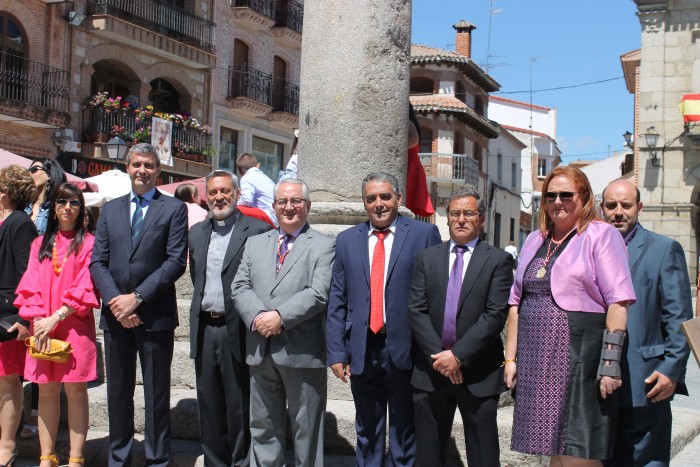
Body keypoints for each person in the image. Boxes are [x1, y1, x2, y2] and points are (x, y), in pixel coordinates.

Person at [505, 166, 635, 465]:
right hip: (538, 360)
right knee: (556, 453)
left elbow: (619, 301)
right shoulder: (535, 239)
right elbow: (515, 303)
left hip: (579, 356)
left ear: (585, 198)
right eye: (550, 195)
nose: (557, 201)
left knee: (579, 452)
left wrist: (610, 363)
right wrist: (511, 360)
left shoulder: (601, 234)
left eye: (566, 194)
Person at [327, 172, 441, 466]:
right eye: (371, 198)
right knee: (367, 428)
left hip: (406, 347)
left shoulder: (423, 235)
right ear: (364, 203)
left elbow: (435, 293)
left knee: (404, 429)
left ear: (398, 199)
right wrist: (337, 351)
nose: (379, 204)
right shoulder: (346, 240)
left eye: (385, 197)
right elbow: (337, 299)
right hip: (362, 347)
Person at [89, 143, 188, 467]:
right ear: (128, 167)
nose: (142, 170)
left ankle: (157, 460)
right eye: (136, 164)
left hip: (155, 316)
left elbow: (175, 262)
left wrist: (138, 299)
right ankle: (119, 458)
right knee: (118, 393)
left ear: (158, 171)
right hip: (116, 317)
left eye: (148, 165)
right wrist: (118, 302)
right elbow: (97, 262)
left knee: (156, 395)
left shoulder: (173, 209)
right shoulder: (110, 209)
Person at [232, 178, 335, 467]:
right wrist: (258, 318)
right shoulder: (255, 244)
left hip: (301, 352)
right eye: (282, 202)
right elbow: (239, 287)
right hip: (260, 348)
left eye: (296, 201)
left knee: (306, 431)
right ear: (274, 206)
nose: (289, 207)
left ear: (308, 206)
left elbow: (319, 292)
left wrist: (280, 317)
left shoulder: (324, 245)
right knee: (263, 428)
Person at [409, 188, 513, 466]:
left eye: (469, 213)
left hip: (478, 372)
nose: (461, 219)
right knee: (428, 455)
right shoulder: (426, 258)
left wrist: (458, 357)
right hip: (431, 372)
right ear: (447, 218)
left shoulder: (498, 260)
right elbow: (416, 310)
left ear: (481, 218)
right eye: (455, 213)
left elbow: (495, 315)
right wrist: (442, 359)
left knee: (483, 454)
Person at [601, 179, 692, 467]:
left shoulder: (664, 250)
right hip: (597, 384)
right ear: (601, 209)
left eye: (625, 205)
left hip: (646, 382)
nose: (618, 212)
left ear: (639, 207)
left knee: (646, 461)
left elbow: (679, 318)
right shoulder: (589, 250)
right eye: (611, 205)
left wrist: (671, 371)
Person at [188, 170, 271, 467]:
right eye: (213, 192)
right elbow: (196, 278)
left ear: (236, 193)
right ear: (206, 196)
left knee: (238, 404)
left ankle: (240, 462)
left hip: (238, 329)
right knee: (208, 405)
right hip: (204, 329)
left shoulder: (258, 230)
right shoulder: (196, 233)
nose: (219, 197)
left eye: (225, 191)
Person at [15, 183, 100, 467]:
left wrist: (56, 317)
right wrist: (39, 319)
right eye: (62, 202)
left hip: (74, 323)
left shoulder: (90, 243)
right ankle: (46, 456)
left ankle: (76, 458)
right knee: (47, 389)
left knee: (76, 390)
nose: (67, 207)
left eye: (74, 203)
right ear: (53, 208)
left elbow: (87, 285)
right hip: (42, 325)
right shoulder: (39, 244)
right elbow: (30, 284)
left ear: (81, 209)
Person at [0, 165, 37, 467]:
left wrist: (24, 318)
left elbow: (29, 273)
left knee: (9, 380)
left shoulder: (21, 223)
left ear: (7, 192)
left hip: (8, 314)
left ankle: (7, 444)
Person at [405, 103, 434, 218]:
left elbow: (406, 145)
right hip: (410, 165)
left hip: (409, 167)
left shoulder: (408, 123)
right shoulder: (411, 124)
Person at [26, 158, 67, 235]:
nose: (30, 173)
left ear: (49, 175)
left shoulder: (55, 208)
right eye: (29, 170)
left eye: (34, 169)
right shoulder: (24, 205)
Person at [236, 152, 277, 226]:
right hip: (276, 216)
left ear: (240, 172)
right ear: (258, 165)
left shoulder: (246, 177)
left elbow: (246, 200)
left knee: (235, 209)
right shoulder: (263, 177)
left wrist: (234, 204)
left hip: (270, 216)